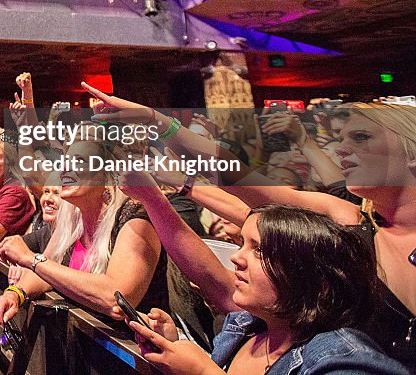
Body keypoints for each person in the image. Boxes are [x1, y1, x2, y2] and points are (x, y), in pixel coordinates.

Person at [82, 83, 416, 368]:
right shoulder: (350, 223)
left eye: (360, 137)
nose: (342, 149)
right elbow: (242, 180)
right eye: (342, 139)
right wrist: (158, 122)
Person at [113, 203, 408, 375]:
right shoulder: (244, 327)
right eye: (243, 244)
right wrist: (175, 346)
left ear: (308, 275)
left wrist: (204, 372)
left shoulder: (343, 362)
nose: (236, 258)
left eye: (259, 250)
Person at [0, 139, 167, 323]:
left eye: (78, 161)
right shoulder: (72, 216)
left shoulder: (135, 218)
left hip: (126, 347)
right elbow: (48, 271)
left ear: (107, 176)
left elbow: (118, 300)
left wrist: (31, 259)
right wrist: (15, 293)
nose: (65, 169)